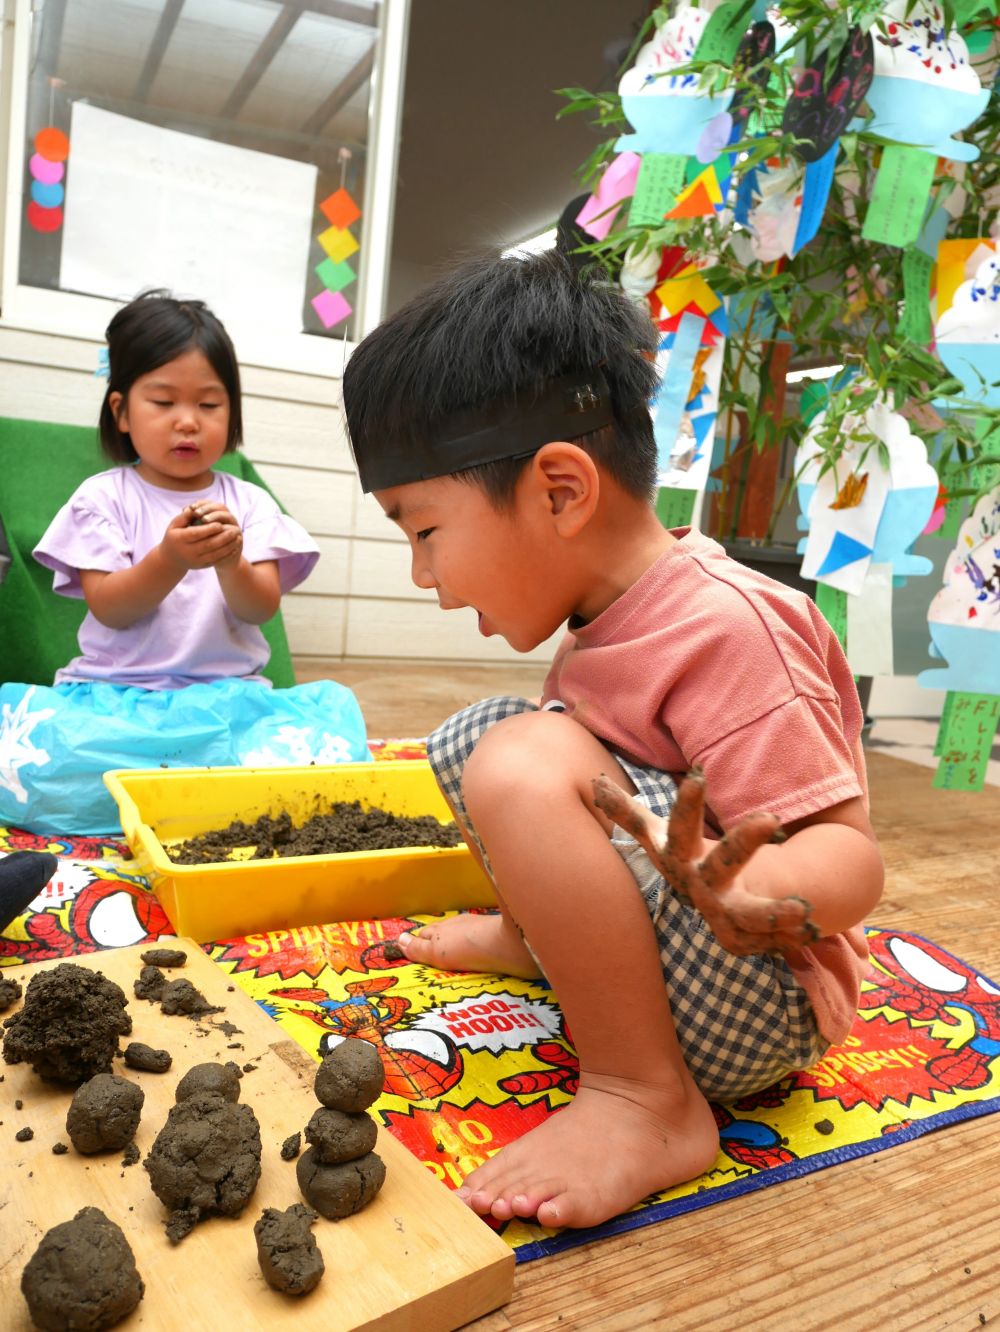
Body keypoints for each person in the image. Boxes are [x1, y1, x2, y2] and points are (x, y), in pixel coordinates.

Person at [341, 250, 884, 1232]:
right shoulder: (607, 612)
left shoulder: (728, 625)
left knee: (519, 760)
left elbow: (848, 857)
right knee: (481, 737)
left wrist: (747, 889)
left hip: (756, 994)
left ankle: (644, 1098)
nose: (424, 573)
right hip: (683, 954)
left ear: (558, 491)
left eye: (422, 530)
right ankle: (542, 943)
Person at [0, 291, 367, 835]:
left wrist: (230, 562)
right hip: (120, 704)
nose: (188, 422)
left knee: (327, 742)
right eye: (164, 402)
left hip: (228, 702)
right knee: (32, 754)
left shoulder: (249, 503)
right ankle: (200, 793)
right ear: (122, 411)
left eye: (209, 405)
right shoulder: (102, 499)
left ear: (232, 412)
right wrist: (170, 559)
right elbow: (110, 608)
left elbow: (260, 606)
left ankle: (178, 790)